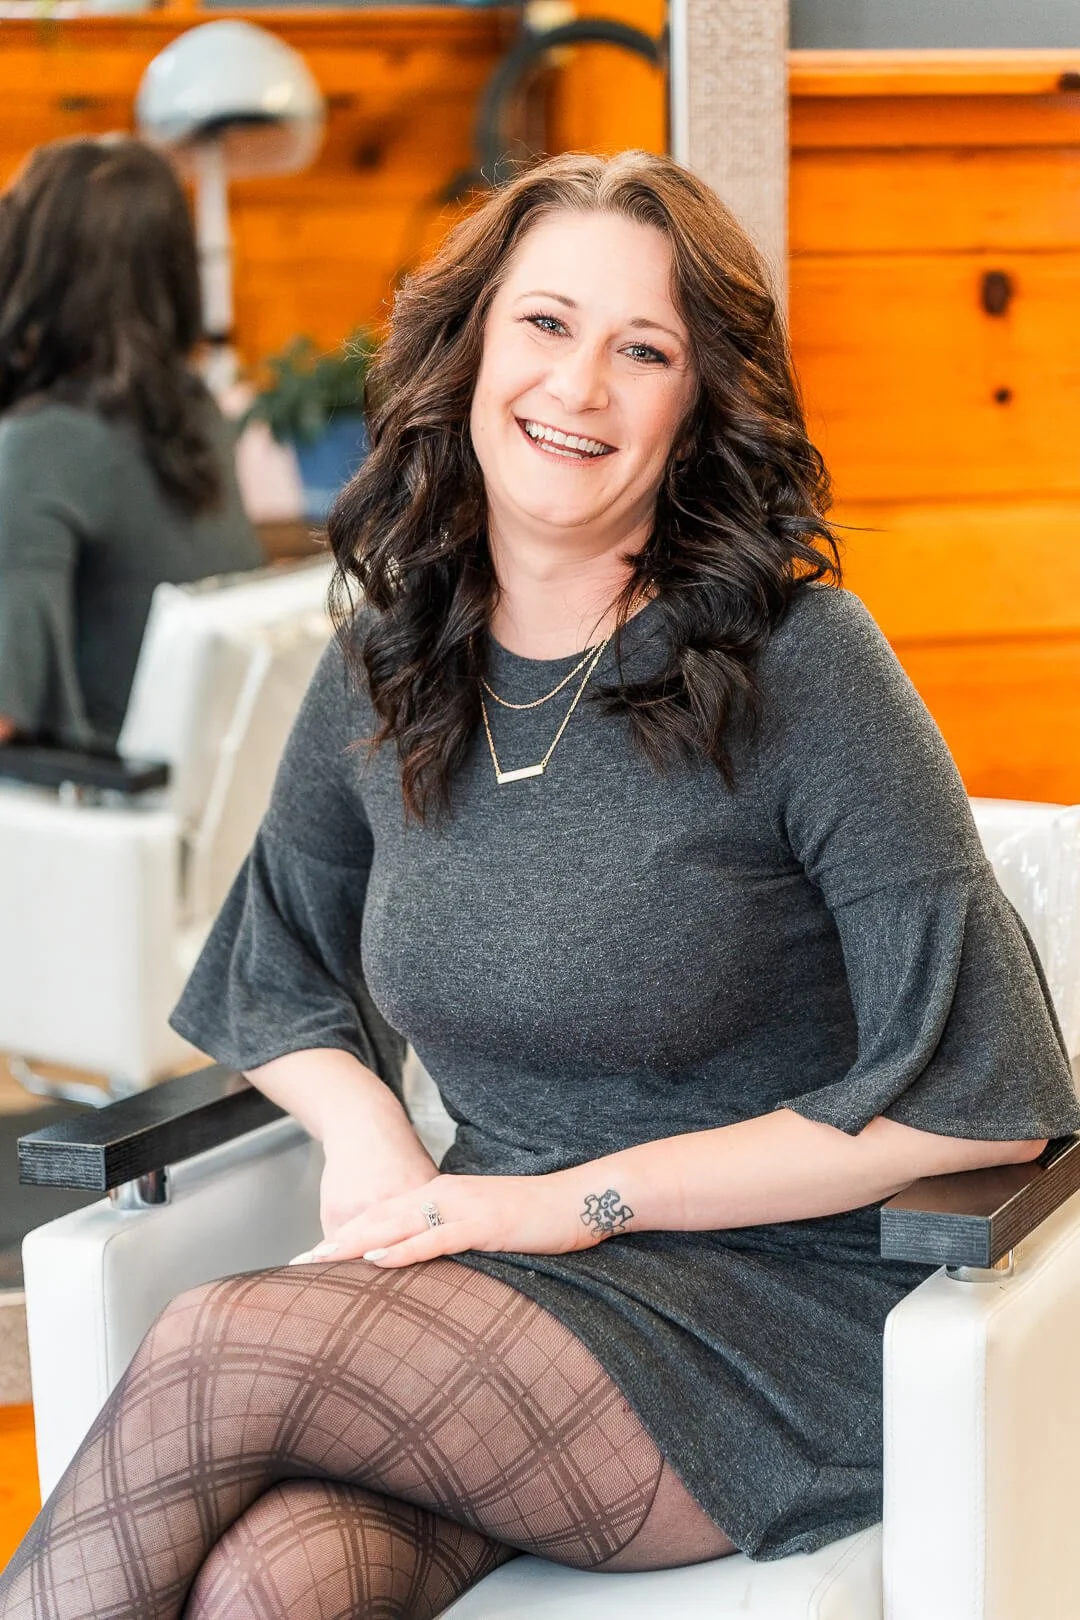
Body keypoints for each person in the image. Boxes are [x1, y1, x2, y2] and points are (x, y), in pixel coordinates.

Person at [2, 149, 1077, 1619]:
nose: (579, 386)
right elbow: (274, 968)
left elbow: (984, 1100)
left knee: (207, 1353)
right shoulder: (388, 661)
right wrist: (371, 1136)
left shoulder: (805, 666)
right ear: (471, 351)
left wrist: (583, 1202)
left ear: (696, 407)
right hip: (491, 1271)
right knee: (271, 1582)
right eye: (547, 324)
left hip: (774, 1311)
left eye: (645, 351)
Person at [0, 136, 263, 753]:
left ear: (31, 270)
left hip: (83, 797)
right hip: (192, 792)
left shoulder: (42, 445)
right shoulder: (197, 414)